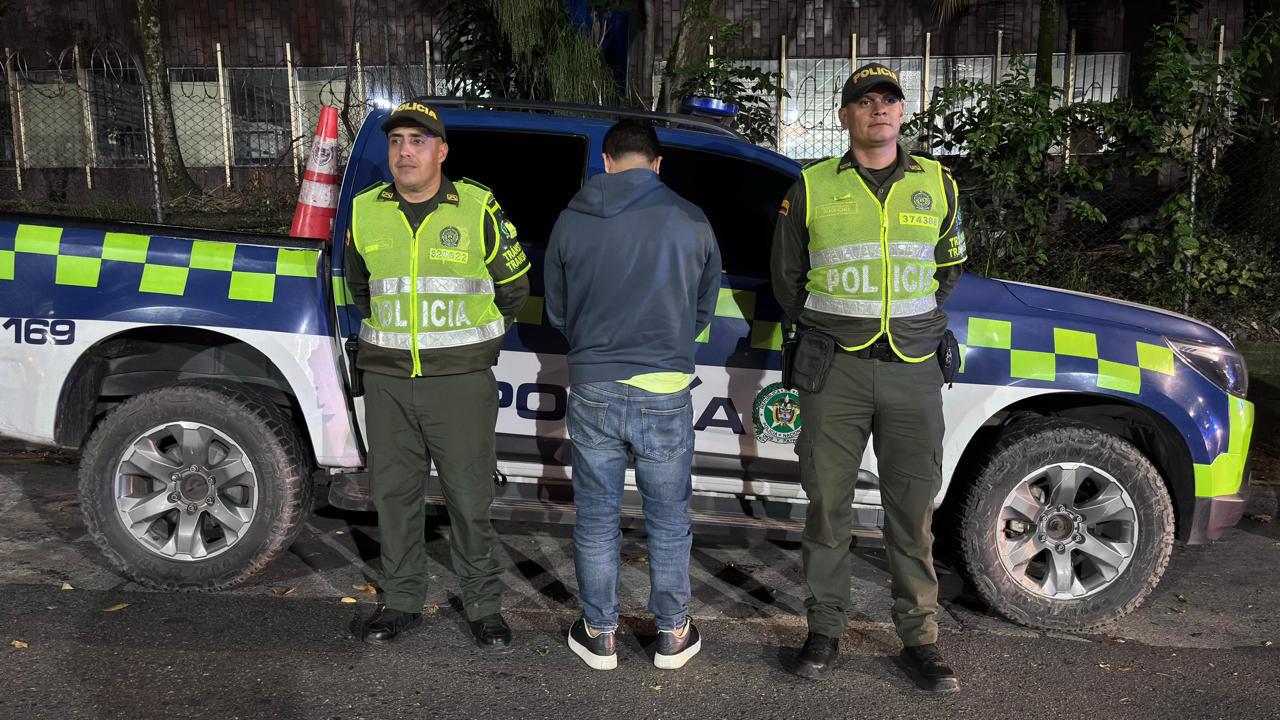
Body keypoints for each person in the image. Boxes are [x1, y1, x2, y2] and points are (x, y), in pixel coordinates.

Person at [770, 63, 967, 692]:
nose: (879, 109)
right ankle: (824, 630)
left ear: (902, 113)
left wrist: (911, 322)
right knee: (827, 506)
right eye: (865, 102)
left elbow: (949, 268)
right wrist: (830, 328)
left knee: (911, 511)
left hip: (913, 370)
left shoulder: (939, 183)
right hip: (837, 371)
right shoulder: (810, 185)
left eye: (889, 100)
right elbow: (786, 279)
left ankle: (921, 640)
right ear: (845, 116)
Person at [345, 99, 531, 648]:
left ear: (441, 150)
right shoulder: (363, 211)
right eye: (397, 141)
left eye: (418, 141)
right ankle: (401, 601)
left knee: (469, 500)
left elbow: (514, 287)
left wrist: (476, 344)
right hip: (387, 381)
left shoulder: (476, 208)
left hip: (459, 383)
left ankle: (483, 606)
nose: (406, 151)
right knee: (394, 497)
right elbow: (360, 288)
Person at [544, 120, 722, 671]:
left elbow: (557, 310)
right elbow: (702, 311)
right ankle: (672, 633)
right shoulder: (692, 220)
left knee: (597, 516)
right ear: (658, 163)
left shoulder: (571, 221)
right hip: (665, 389)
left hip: (594, 384)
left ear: (606, 160)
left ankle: (599, 633)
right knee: (668, 519)